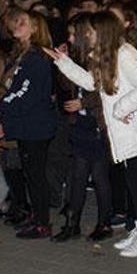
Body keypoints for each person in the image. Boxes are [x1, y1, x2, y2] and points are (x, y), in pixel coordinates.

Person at [46, 11, 137, 258]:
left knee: (136, 182)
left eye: (90, 31)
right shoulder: (108, 55)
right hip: (130, 131)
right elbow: (92, 84)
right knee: (133, 181)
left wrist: (122, 108)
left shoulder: (124, 55)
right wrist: (64, 63)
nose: (86, 36)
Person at [52, 14, 114, 243]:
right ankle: (72, 223)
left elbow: (106, 91)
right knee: (77, 176)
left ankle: (104, 223)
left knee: (99, 176)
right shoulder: (79, 57)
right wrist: (63, 63)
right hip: (79, 123)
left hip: (97, 124)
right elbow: (67, 85)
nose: (69, 38)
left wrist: (84, 103)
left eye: (73, 34)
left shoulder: (101, 57)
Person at [0, 8, 57, 239]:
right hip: (28, 125)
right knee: (31, 175)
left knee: (36, 176)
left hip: (36, 126)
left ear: (34, 28)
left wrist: (2, 106)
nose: (16, 26)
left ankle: (42, 223)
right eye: (15, 23)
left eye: (22, 23)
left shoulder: (36, 57)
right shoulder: (23, 55)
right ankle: (37, 216)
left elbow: (25, 93)